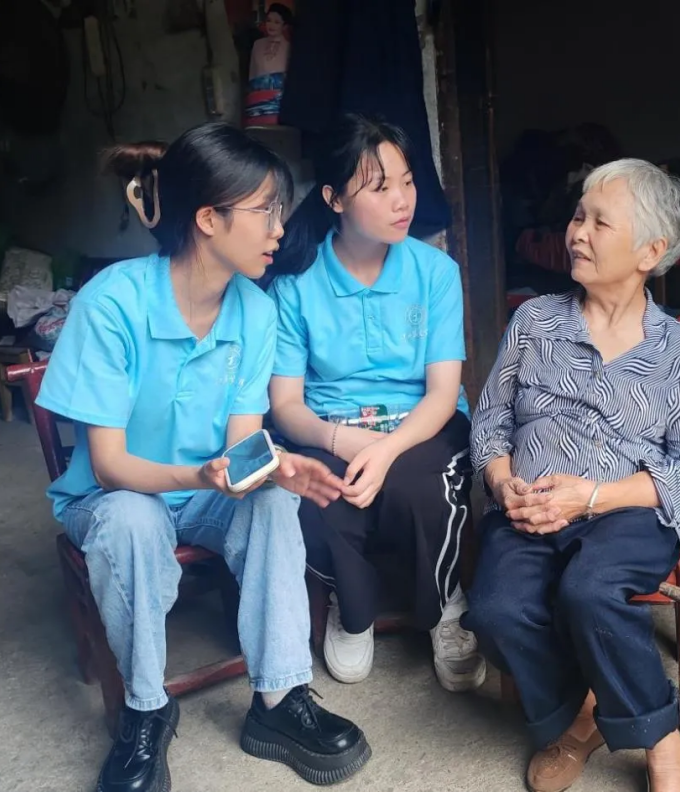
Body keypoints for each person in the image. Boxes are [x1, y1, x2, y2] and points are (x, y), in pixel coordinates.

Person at [35, 122, 371, 792]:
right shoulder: (113, 305)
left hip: (206, 492)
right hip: (117, 495)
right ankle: (145, 711)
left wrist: (275, 464)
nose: (279, 228)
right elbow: (109, 465)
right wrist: (202, 474)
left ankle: (278, 699)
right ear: (209, 219)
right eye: (265, 211)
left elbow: (240, 449)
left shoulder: (253, 312)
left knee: (274, 500)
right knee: (132, 521)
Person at [462, 159, 680, 792]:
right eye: (578, 216)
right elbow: (490, 421)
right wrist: (502, 483)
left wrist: (594, 497)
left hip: (626, 512)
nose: (577, 232)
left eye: (600, 223)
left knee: (591, 590)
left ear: (650, 252)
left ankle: (660, 739)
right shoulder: (535, 322)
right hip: (529, 508)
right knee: (496, 609)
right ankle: (580, 714)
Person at [265, 113, 484, 692]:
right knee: (321, 492)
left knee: (421, 489)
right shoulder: (296, 282)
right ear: (334, 199)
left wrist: (384, 451)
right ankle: (352, 608)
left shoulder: (434, 272)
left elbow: (443, 394)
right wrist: (342, 440)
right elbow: (285, 405)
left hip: (422, 424)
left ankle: (445, 603)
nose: (402, 200)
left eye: (407, 182)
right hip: (328, 425)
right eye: (380, 187)